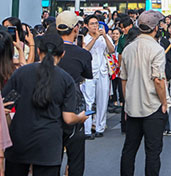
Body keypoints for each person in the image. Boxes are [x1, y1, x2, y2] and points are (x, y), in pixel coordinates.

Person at [3, 33, 87, 175]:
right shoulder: (66, 79)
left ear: (38, 51)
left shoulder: (21, 73)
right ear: (63, 53)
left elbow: (5, 105)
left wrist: (11, 126)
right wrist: (81, 117)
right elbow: (68, 118)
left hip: (19, 139)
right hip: (48, 143)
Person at [119, 10, 168, 176]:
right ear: (155, 29)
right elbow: (158, 80)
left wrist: (127, 102)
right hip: (153, 106)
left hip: (132, 107)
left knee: (129, 150)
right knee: (153, 152)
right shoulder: (157, 49)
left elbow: (123, 80)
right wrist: (164, 102)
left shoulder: (128, 49)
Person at [55, 11, 93, 176]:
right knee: (76, 154)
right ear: (76, 29)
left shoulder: (45, 48)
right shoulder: (83, 54)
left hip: (49, 101)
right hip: (74, 102)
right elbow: (87, 75)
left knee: (52, 155)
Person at [81, 15, 115, 139]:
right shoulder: (85, 38)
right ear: (86, 26)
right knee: (88, 101)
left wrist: (105, 36)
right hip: (89, 72)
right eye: (92, 24)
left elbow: (111, 50)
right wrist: (94, 38)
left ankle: (100, 127)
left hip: (103, 71)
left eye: (96, 23)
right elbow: (85, 50)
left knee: (103, 100)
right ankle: (87, 129)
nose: (95, 26)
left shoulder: (104, 37)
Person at [109, 28, 124, 110]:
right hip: (112, 68)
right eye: (113, 34)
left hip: (120, 67)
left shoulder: (121, 44)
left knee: (120, 86)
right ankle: (114, 101)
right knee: (113, 85)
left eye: (117, 34)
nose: (114, 35)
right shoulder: (110, 44)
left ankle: (121, 102)